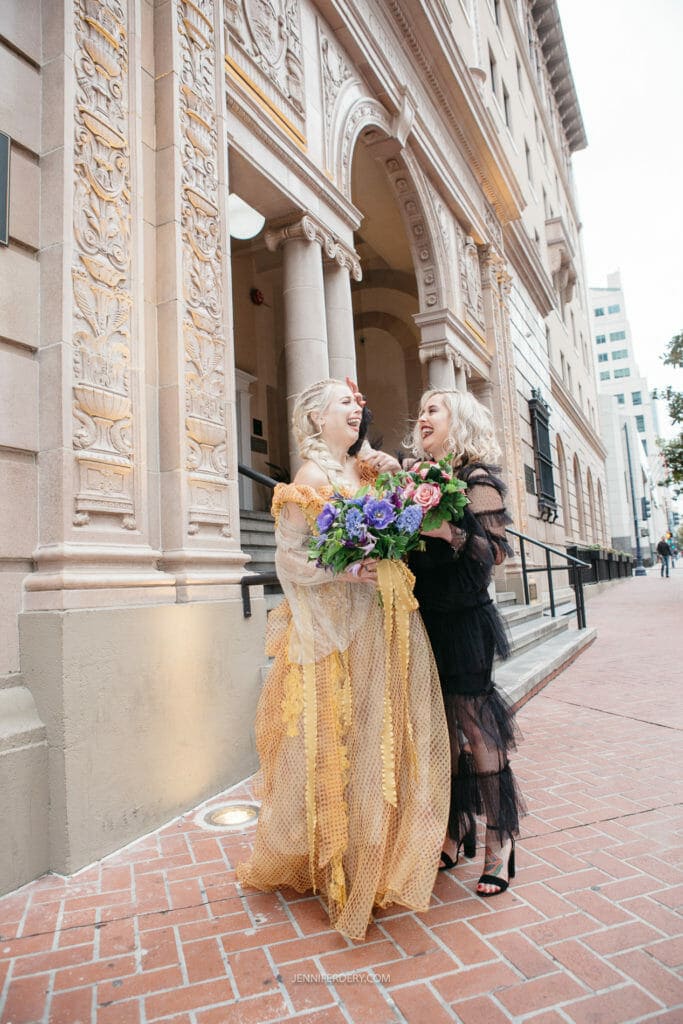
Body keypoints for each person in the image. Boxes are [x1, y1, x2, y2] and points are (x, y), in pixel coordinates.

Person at [237, 379, 450, 941]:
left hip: (381, 622)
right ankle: (342, 860)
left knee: (381, 734)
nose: (358, 408)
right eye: (345, 403)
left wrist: (394, 472)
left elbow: (410, 516)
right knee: (343, 738)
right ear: (315, 418)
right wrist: (345, 569)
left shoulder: (368, 471)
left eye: (360, 402)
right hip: (337, 632)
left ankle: (381, 847)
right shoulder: (307, 481)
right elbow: (291, 562)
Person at [406, 389, 525, 897]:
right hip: (424, 617)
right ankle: (457, 832)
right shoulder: (414, 479)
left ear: (459, 419)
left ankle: (501, 841)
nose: (422, 416)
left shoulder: (476, 479)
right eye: (421, 411)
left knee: (476, 730)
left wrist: (447, 533)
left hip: (465, 622)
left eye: (433, 409)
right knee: (443, 735)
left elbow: (497, 553)